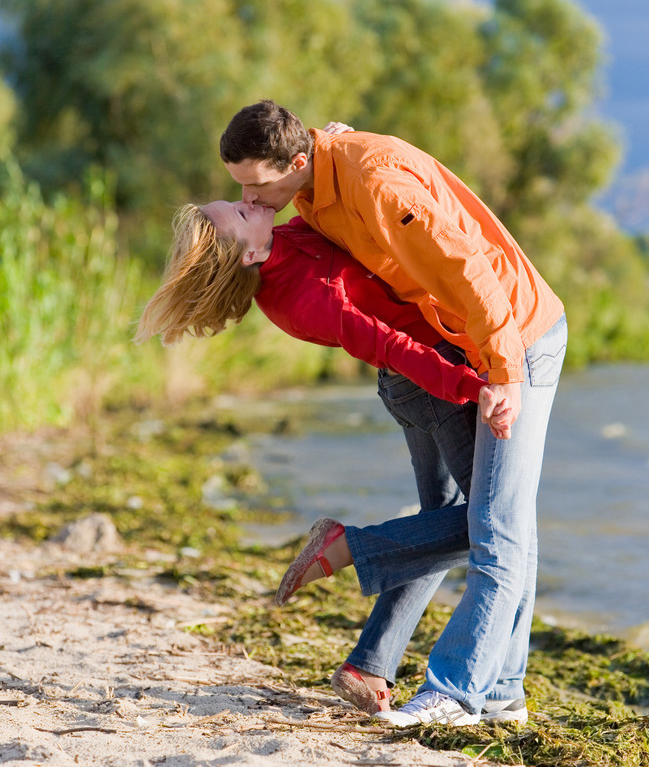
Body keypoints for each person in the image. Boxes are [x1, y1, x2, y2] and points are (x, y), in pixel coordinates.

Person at [220, 100, 567, 728]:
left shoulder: (373, 183)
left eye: (252, 184)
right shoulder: (304, 193)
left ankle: (456, 690)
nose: (246, 195)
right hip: (459, 348)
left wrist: (501, 370)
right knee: (500, 523)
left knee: (497, 524)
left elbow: (469, 267)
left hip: (515, 335)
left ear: (296, 162)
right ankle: (500, 690)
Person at [135, 199, 512, 714]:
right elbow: (387, 343)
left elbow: (320, 204)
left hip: (419, 382)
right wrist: (472, 387)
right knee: (489, 525)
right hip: (429, 381)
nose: (249, 202)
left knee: (437, 524)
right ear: (248, 254)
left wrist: (330, 147)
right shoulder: (300, 298)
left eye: (239, 198)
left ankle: (370, 664)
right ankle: (349, 546)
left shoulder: (284, 239)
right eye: (241, 214)